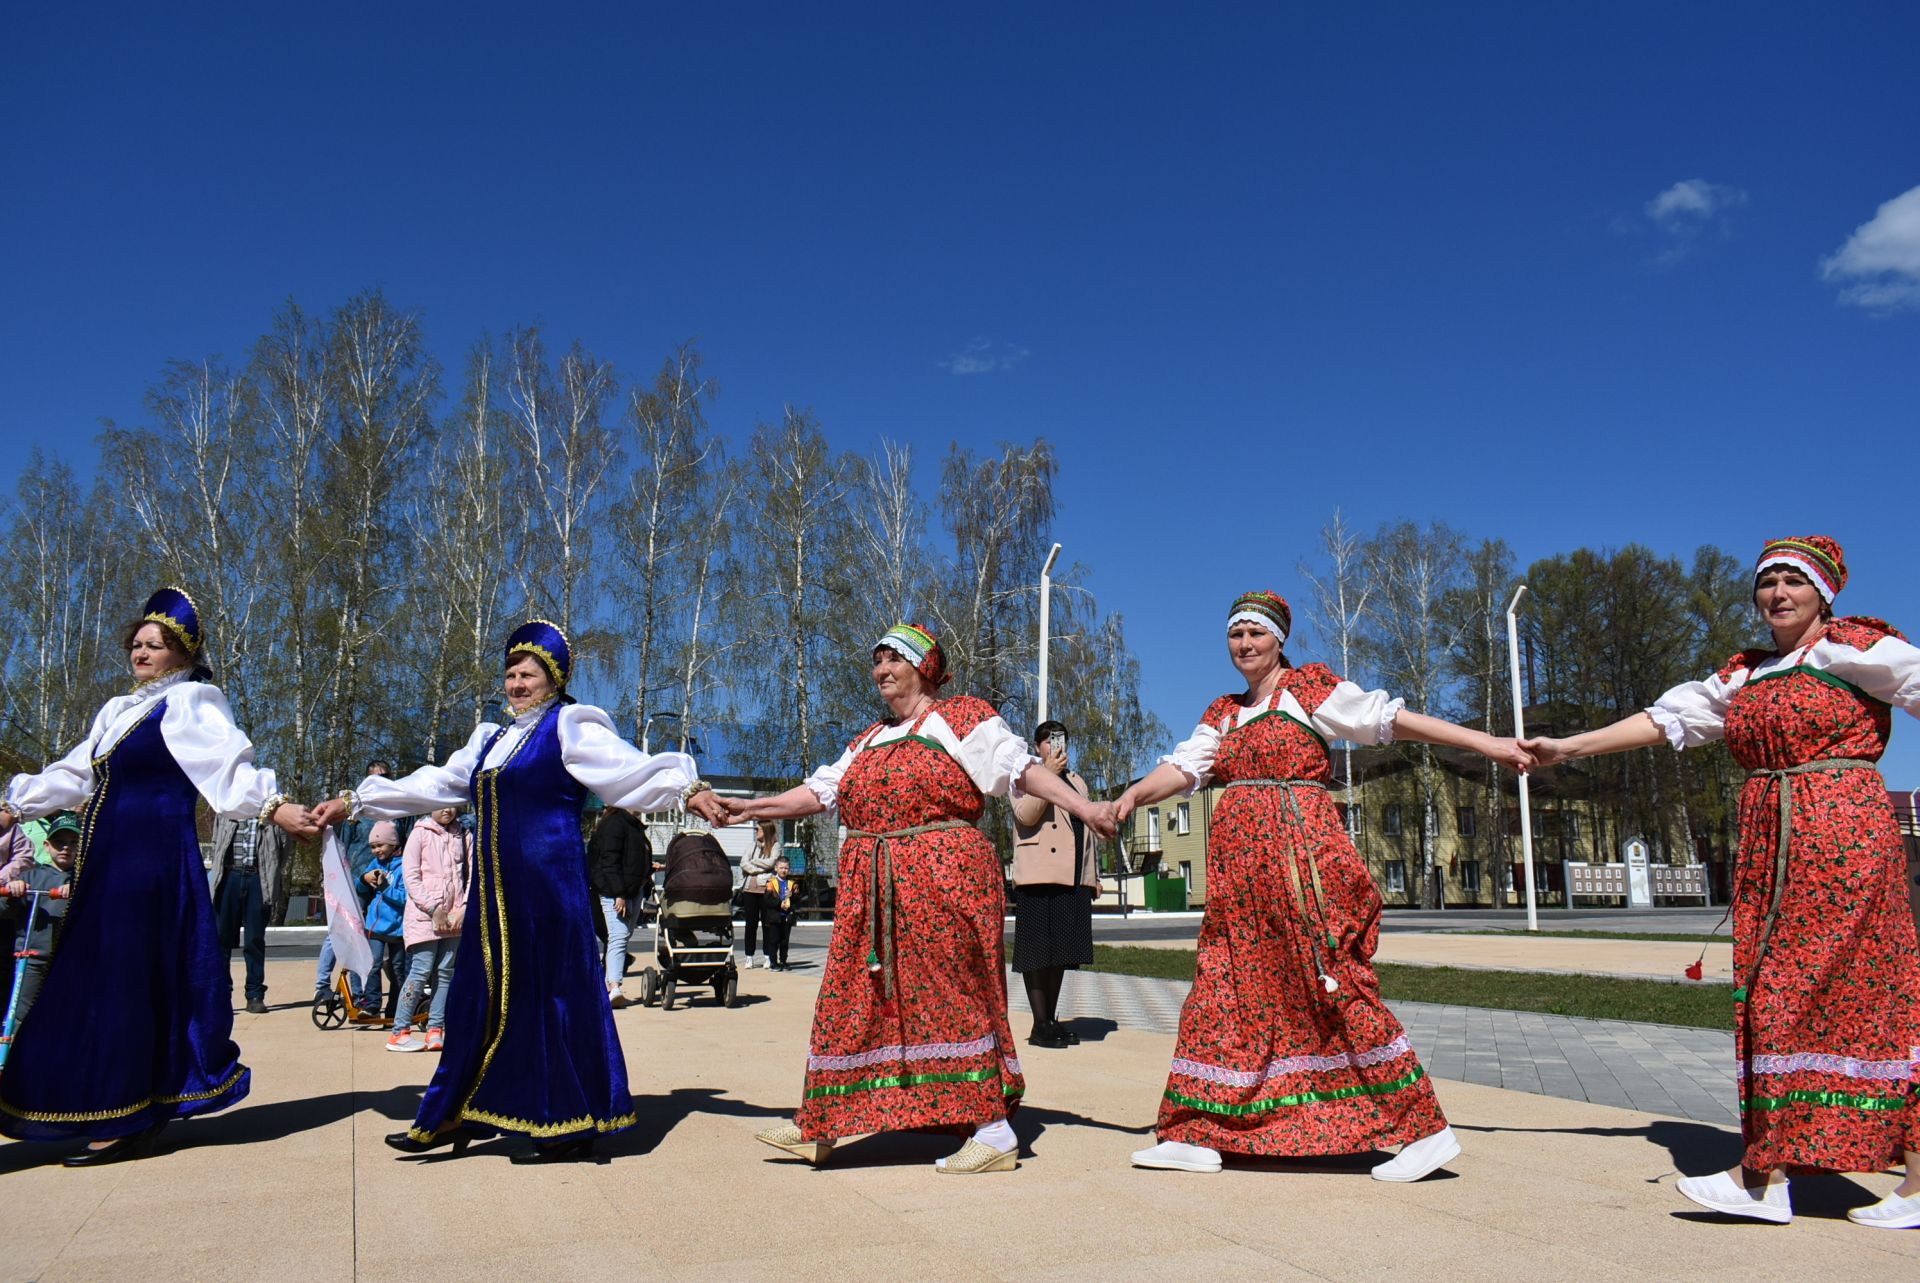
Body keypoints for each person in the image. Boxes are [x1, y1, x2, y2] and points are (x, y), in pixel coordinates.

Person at [1522, 537, 1920, 1230]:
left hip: (1844, 839)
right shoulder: (1746, 675)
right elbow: (1664, 720)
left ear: (1825, 593)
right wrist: (1570, 745)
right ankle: (1780, 1171)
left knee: (1851, 993)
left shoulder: (1853, 650)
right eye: (1768, 582)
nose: (1778, 593)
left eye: (1794, 580)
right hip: (1772, 848)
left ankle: (1770, 1176)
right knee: (1774, 992)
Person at [1118, 590, 1530, 1180]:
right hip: (1241, 882)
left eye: (1255, 634)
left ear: (1279, 639)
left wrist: (1485, 743)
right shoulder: (1223, 713)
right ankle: (1197, 1129)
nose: (1244, 645)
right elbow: (1185, 768)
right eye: (1235, 635)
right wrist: (1133, 795)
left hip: (1302, 867)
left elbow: (1389, 720)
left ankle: (1422, 1130)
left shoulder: (1308, 690)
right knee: (1224, 985)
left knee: (1329, 982)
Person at [313, 619, 730, 1160]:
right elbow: (433, 783)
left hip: (549, 893)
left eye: (528, 674)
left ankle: (561, 1122)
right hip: (494, 897)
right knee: (471, 1000)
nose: (516, 684)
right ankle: (451, 1115)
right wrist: (358, 802)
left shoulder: (570, 727)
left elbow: (629, 769)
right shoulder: (490, 738)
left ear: (553, 679)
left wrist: (687, 788)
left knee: (548, 1000)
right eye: (510, 674)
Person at [730, 623, 1117, 1174]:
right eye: (877, 660)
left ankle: (993, 1131)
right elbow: (820, 792)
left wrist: (1086, 810)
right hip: (874, 891)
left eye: (894, 660)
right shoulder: (866, 739)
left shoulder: (961, 718)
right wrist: (749, 809)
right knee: (851, 994)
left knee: (950, 993)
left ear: (923, 667)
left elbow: (1020, 771)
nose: (882, 670)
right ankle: (821, 1123)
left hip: (943, 882)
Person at [0, 587, 315, 1165]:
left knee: (127, 979)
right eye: (138, 644)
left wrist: (275, 807)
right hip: (108, 860)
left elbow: (226, 767)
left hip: (149, 863)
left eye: (157, 645)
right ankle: (85, 1097)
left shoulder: (192, 700)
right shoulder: (119, 712)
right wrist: (16, 805)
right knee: (91, 977)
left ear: (185, 655)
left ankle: (127, 1113)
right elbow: (74, 774)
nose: (142, 653)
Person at [1011, 719, 1099, 1050]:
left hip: (1071, 875)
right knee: (1036, 951)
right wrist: (1045, 774)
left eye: (1059, 740)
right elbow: (1026, 815)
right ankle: (1038, 1024)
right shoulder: (1024, 775)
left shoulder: (1077, 782)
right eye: (1047, 741)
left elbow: (1087, 832)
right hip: (1038, 873)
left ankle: (1049, 1020)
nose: (1054, 746)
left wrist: (1092, 878)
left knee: (1059, 951)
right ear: (1037, 747)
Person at [387, 805, 470, 1053]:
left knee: (445, 973)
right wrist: (434, 909)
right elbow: (411, 877)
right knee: (420, 971)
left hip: (454, 918)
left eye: (453, 804)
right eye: (441, 805)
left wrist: (463, 908)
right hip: (425, 917)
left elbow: (472, 874)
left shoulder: (464, 834)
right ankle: (399, 1031)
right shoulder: (419, 833)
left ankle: (436, 1029)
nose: (448, 810)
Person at [316, 758, 395, 998]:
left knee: (386, 937)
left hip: (388, 882)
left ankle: (367, 992)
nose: (380, 782)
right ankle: (322, 985)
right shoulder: (355, 812)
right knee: (341, 932)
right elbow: (342, 848)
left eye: (385, 777)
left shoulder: (397, 810)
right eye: (375, 778)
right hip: (357, 883)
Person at [1, 812, 77, 1027]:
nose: (66, 848)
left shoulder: (84, 878)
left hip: (71, 958)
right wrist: (13, 892)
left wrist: (78, 891)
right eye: (59, 842)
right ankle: (14, 1054)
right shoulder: (31, 876)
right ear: (46, 845)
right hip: (33, 958)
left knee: (66, 1011)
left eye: (73, 843)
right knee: (22, 1013)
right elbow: (4, 911)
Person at [210, 809, 290, 1014]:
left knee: (254, 940)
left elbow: (284, 850)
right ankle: (221, 993)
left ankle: (255, 994)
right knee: (221, 940)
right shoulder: (226, 809)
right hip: (229, 877)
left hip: (258, 878)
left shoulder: (274, 813)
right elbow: (216, 843)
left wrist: (270, 876)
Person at [588, 803, 652, 1006]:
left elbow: (632, 859)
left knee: (623, 935)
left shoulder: (634, 826)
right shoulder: (615, 824)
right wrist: (619, 894)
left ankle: (608, 984)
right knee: (618, 936)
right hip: (614, 891)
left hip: (632, 890)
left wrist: (648, 871)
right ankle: (614, 987)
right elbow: (609, 862)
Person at [358, 822, 409, 1023]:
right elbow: (359, 886)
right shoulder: (375, 864)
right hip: (374, 926)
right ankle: (371, 1005)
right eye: (372, 846)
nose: (376, 850)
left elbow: (406, 898)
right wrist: (364, 878)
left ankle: (395, 1008)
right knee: (373, 963)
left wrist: (385, 888)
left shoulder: (404, 865)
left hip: (398, 927)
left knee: (397, 968)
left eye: (381, 845)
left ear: (394, 844)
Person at [737, 821, 779, 968]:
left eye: (758, 829)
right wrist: (757, 868)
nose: (756, 832)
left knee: (766, 925)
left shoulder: (775, 846)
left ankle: (768, 956)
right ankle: (749, 956)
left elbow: (772, 862)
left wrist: (754, 862)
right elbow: (743, 863)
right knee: (750, 925)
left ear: (766, 831)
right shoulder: (752, 846)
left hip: (765, 890)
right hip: (750, 889)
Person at [761, 855, 797, 970]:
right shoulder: (771, 882)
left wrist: (794, 896)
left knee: (784, 941)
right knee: (774, 941)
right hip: (774, 917)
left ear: (789, 869)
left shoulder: (792, 883)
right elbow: (767, 899)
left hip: (787, 917)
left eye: (786, 868)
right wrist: (778, 903)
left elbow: (798, 899)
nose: (783, 870)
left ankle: (783, 961)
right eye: (781, 868)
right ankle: (773, 962)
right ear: (776, 868)